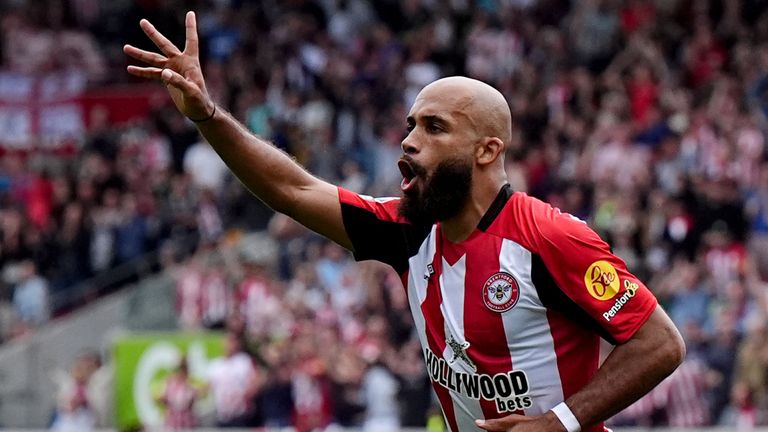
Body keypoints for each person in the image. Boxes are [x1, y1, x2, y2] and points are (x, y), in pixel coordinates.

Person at [124, 11, 685, 432]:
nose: (408, 141)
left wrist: (558, 421)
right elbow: (292, 189)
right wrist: (208, 115)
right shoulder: (407, 232)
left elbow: (660, 343)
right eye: (411, 125)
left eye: (434, 128)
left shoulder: (549, 236)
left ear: (487, 151)